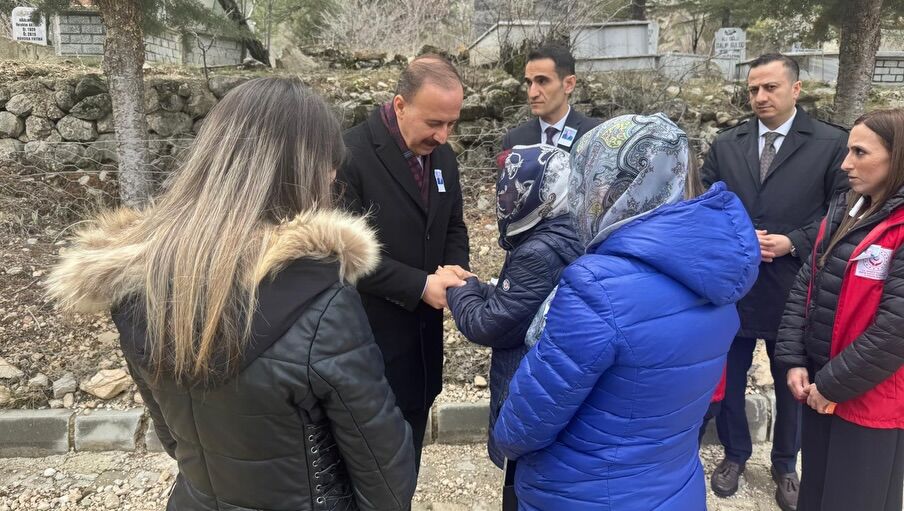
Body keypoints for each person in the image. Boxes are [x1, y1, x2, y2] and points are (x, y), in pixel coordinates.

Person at [45, 77, 416, 510]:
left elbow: (173, 438)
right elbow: (385, 471)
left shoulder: (134, 280)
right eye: (330, 164)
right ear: (305, 168)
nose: (335, 176)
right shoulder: (321, 302)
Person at [493, 113, 761, 510]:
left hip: (583, 494)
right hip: (674, 488)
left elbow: (523, 427)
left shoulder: (597, 286)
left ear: (613, 185)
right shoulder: (714, 269)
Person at [701, 53, 849, 509]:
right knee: (730, 372)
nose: (760, 97)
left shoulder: (829, 143)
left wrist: (795, 241)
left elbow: (841, 210)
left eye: (770, 88)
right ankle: (735, 454)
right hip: (737, 285)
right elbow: (707, 201)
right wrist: (739, 237)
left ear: (796, 89)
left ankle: (786, 463)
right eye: (753, 90)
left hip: (796, 284)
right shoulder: (727, 144)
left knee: (792, 378)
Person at [335, 54, 470, 471]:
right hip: (366, 347)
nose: (444, 136)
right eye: (434, 123)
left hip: (422, 350)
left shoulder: (442, 158)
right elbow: (342, 254)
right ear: (399, 105)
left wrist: (453, 270)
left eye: (451, 123)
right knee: (367, 470)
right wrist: (418, 286)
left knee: (405, 463)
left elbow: (453, 226)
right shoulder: (349, 156)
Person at [775, 108, 904, 511]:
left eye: (860, 152)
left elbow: (895, 330)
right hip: (822, 389)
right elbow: (807, 283)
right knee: (817, 494)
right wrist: (795, 359)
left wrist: (831, 385)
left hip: (867, 401)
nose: (846, 164)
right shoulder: (847, 207)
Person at [442, 144, 583, 468]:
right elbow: (523, 305)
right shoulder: (566, 228)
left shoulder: (538, 251)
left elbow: (488, 325)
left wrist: (460, 287)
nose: (506, 200)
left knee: (520, 484)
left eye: (515, 191)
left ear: (543, 194)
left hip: (526, 387)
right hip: (551, 388)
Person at [502, 45, 600, 152]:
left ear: (569, 84)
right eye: (529, 83)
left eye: (542, 81)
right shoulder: (515, 141)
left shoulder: (594, 134)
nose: (532, 94)